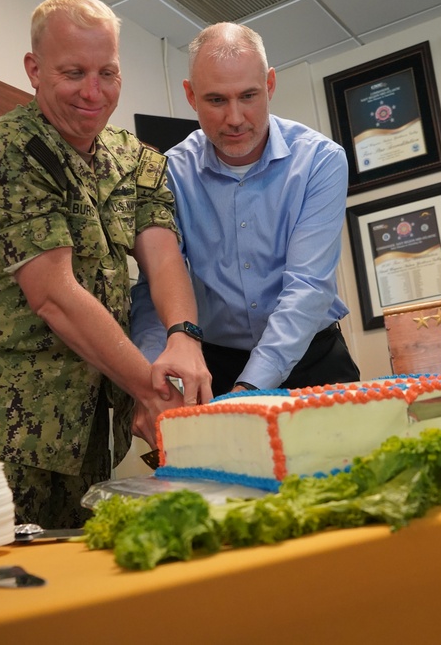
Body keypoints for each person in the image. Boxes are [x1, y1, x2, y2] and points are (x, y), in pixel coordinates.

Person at [0, 0, 211, 529]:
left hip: (81, 432)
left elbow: (164, 256)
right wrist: (149, 388)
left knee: (71, 577)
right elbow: (54, 295)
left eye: (107, 73)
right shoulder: (10, 148)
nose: (94, 92)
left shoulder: (135, 159)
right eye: (74, 73)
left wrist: (184, 337)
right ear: (34, 70)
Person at [131, 23, 360, 396]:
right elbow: (155, 283)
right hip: (214, 364)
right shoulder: (169, 174)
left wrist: (250, 387)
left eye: (248, 96)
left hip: (311, 355)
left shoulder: (320, 160)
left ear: (269, 85)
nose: (235, 118)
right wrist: (154, 384)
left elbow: (308, 286)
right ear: (190, 95)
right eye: (216, 100)